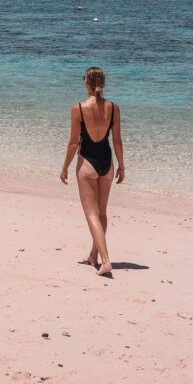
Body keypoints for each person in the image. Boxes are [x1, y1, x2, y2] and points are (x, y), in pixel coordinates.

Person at [60, 66, 124, 277]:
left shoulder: (78, 108)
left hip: (87, 163)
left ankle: (105, 261)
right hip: (107, 163)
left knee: (91, 214)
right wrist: (121, 166)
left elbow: (72, 143)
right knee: (102, 213)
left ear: (85, 82)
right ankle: (93, 256)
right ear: (103, 83)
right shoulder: (113, 108)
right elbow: (117, 141)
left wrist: (65, 167)